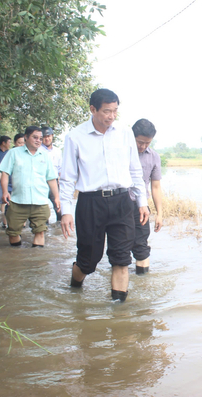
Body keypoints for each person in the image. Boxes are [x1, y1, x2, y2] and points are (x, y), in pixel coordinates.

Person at [60, 89, 148, 302]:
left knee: (121, 259)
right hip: (91, 203)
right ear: (93, 109)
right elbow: (67, 177)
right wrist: (65, 211)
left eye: (115, 111)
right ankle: (75, 289)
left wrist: (142, 202)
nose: (111, 116)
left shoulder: (125, 132)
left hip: (122, 201)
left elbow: (135, 170)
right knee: (88, 261)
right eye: (107, 111)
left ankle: (119, 314)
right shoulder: (75, 136)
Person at [0, 127, 59, 248]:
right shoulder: (14, 153)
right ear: (26, 137)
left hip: (40, 201)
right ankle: (17, 260)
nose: (38, 141)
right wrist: (5, 191)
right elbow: (5, 173)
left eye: (40, 138)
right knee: (13, 232)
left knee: (40, 231)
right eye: (35, 137)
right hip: (18, 201)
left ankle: (36, 264)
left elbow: (51, 178)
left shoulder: (45, 156)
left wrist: (57, 197)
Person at [130, 119, 163, 274]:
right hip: (118, 204)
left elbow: (155, 187)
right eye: (139, 142)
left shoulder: (154, 157)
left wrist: (159, 214)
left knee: (141, 245)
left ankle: (143, 284)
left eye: (147, 143)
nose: (142, 147)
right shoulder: (122, 153)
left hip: (140, 206)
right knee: (118, 246)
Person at [0, 133, 25, 228]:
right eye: (19, 143)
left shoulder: (29, 154)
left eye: (23, 143)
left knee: (23, 207)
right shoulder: (10, 154)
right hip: (9, 185)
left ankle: (22, 226)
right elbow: (0, 170)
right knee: (9, 206)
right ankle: (5, 225)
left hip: (22, 186)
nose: (21, 145)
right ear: (15, 143)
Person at [39, 126, 63, 222]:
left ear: (52, 136)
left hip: (55, 182)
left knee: (59, 207)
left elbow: (61, 168)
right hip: (41, 182)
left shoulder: (57, 151)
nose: (47, 138)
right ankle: (44, 230)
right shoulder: (38, 150)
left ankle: (59, 230)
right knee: (42, 209)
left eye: (49, 136)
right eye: (44, 136)